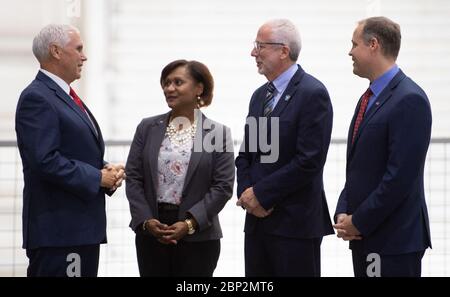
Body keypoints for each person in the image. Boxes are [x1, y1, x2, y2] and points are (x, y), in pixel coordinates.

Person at [15, 24, 125, 277]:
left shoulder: (62, 95)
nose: (84, 56)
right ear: (56, 51)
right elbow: (44, 160)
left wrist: (104, 169)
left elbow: (73, 151)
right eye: (78, 49)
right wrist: (97, 177)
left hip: (79, 229)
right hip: (59, 233)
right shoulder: (38, 97)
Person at [333, 17, 432, 277]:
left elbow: (399, 177)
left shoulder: (409, 99)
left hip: (393, 241)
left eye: (354, 44)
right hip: (366, 236)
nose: (350, 52)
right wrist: (344, 211)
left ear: (373, 44)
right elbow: (359, 167)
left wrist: (359, 221)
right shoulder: (368, 98)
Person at [235, 19, 334, 277]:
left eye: (260, 46)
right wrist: (247, 196)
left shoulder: (313, 93)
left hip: (295, 225)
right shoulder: (259, 96)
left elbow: (309, 161)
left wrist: (262, 194)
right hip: (257, 224)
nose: (253, 53)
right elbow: (246, 155)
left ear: (283, 50)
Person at [125, 59, 235, 277]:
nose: (169, 88)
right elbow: (134, 178)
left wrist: (190, 223)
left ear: (199, 88)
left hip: (199, 235)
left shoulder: (217, 133)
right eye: (166, 83)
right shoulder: (147, 127)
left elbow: (222, 187)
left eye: (178, 82)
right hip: (152, 232)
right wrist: (146, 221)